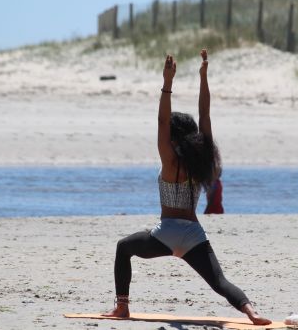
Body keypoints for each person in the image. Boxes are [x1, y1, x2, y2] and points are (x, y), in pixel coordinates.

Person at [103, 49, 271, 326]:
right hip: (194, 234)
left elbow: (160, 122)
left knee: (124, 247)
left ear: (173, 136)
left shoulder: (170, 162)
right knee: (219, 281)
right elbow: (205, 112)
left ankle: (122, 307)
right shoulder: (201, 163)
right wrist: (203, 77)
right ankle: (251, 312)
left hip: (165, 233)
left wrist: (167, 83)